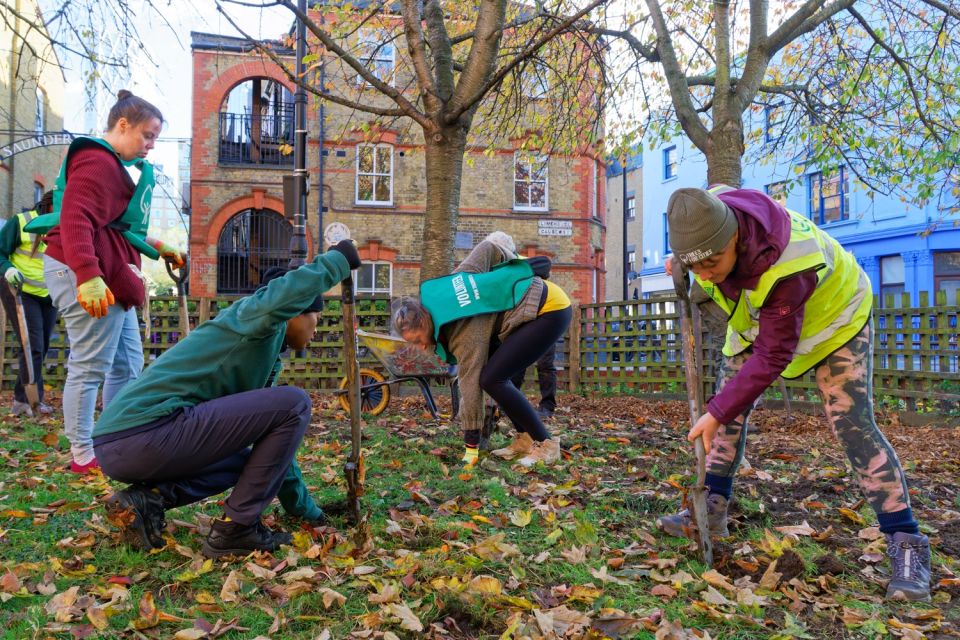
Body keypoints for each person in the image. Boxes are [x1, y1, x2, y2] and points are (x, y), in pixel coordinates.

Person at [657, 185, 931, 602]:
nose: (707, 274)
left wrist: (716, 410)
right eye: (699, 267)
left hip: (834, 322)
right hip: (755, 317)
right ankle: (710, 510)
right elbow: (704, 260)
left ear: (733, 236)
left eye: (712, 263)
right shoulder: (707, 209)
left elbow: (773, 356)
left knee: (852, 424)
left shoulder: (791, 262)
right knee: (725, 411)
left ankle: (907, 545)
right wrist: (683, 263)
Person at [95, 241, 361, 558]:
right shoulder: (252, 319)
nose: (317, 329)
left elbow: (276, 457)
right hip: (144, 433)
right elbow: (281, 295)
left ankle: (147, 500)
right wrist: (337, 261)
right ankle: (236, 529)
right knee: (295, 402)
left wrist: (308, 512)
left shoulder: (259, 352)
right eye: (316, 317)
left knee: (249, 459)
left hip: (123, 446)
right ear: (294, 312)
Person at [31, 90, 183, 475]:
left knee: (127, 365)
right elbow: (76, 218)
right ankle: (83, 452)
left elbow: (112, 227)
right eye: (147, 136)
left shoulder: (112, 166)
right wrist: (88, 276)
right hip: (84, 271)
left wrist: (157, 246)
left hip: (107, 273)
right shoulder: (96, 160)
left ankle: (112, 439)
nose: (150, 146)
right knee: (90, 365)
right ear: (122, 125)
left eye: (155, 139)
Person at [393, 232, 571, 468]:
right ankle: (525, 438)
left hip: (549, 310)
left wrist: (471, 445)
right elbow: (487, 248)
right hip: (532, 309)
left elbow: (469, 387)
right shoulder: (447, 290)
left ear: (425, 323)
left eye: (417, 339)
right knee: (496, 379)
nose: (421, 346)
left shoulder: (461, 333)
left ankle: (547, 444)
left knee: (492, 379)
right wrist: (520, 268)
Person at [0, 191, 57, 416]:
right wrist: (8, 269)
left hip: (49, 295)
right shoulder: (22, 221)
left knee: (39, 347)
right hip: (19, 290)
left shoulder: (62, 226)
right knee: (32, 345)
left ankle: (20, 399)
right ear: (49, 204)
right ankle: (31, 401)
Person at [510, 338, 558, 419]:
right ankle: (510, 403)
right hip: (521, 328)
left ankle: (547, 406)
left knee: (545, 365)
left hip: (546, 329)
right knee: (517, 362)